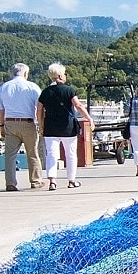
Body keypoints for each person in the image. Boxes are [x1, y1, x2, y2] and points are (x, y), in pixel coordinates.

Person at [36, 63, 94, 191]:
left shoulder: (45, 92)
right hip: (67, 127)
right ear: (60, 75)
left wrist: (41, 125)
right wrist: (89, 119)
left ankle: (52, 181)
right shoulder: (69, 90)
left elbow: (39, 110)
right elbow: (78, 105)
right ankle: (71, 180)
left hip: (50, 127)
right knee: (71, 154)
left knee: (51, 154)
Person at [0, 62, 42, 190]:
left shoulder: (5, 87)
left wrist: (1, 125)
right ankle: (35, 181)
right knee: (32, 153)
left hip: (10, 122)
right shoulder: (32, 87)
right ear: (25, 73)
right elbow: (40, 107)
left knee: (10, 155)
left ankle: (10, 183)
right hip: (28, 122)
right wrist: (40, 123)